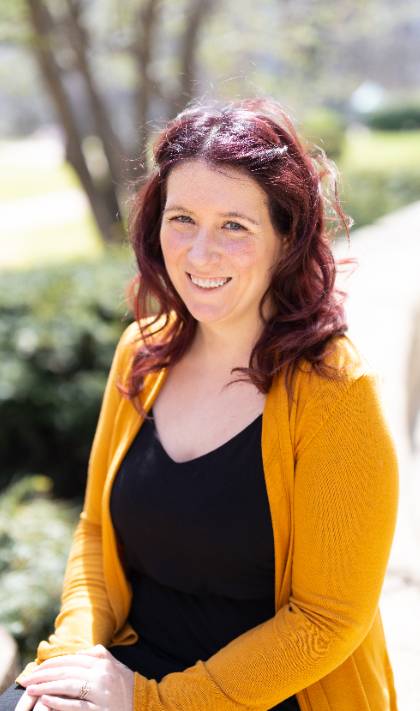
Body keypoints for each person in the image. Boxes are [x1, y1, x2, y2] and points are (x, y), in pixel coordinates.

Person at [1, 98, 399, 711]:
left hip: (268, 696)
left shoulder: (337, 392)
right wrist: (69, 665)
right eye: (182, 218)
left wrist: (149, 702)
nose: (200, 253)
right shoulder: (143, 349)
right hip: (127, 673)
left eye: (235, 226)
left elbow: (325, 621)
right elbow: (96, 534)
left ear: (286, 237)